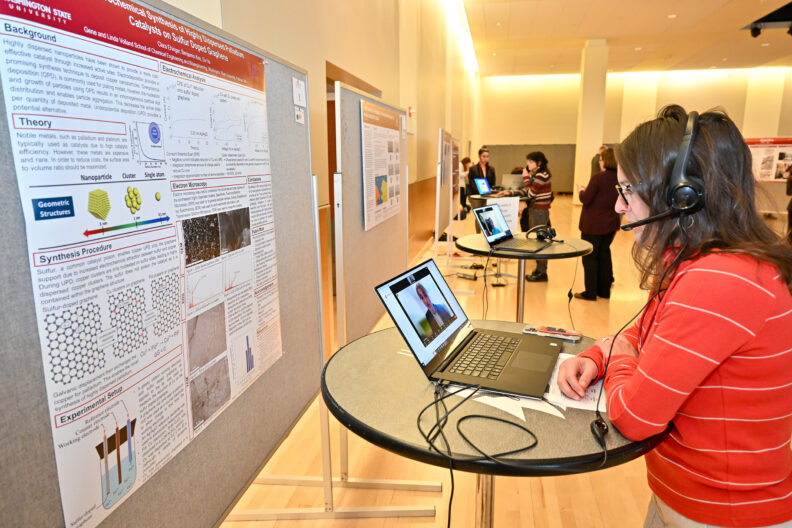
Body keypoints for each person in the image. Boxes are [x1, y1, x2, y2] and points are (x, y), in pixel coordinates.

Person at [557, 105, 792, 527]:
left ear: (682, 197)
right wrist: (597, 356)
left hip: (723, 513)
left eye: (628, 190)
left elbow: (632, 415)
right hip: (691, 500)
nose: (618, 205)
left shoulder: (720, 280)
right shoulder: (701, 263)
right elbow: (641, 334)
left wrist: (621, 357)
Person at [498, 151, 552, 282]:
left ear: (538, 163)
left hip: (539, 211)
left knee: (540, 240)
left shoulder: (541, 175)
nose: (528, 165)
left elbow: (531, 194)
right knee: (537, 239)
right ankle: (539, 270)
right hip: (536, 210)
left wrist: (526, 178)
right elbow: (526, 191)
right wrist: (509, 192)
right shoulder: (538, 174)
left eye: (530, 162)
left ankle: (542, 272)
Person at [574, 147, 619, 300]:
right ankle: (604, 292)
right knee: (604, 255)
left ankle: (591, 292)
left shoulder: (598, 178)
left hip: (593, 224)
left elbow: (586, 199)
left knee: (590, 257)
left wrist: (581, 191)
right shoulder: (620, 178)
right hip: (611, 222)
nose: (600, 162)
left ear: (605, 161)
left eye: (600, 159)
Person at [786, 165, 792, 243]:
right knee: (790, 230)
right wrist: (789, 180)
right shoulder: (790, 179)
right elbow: (788, 192)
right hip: (791, 209)